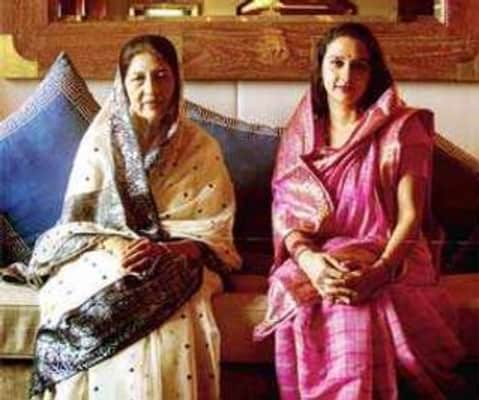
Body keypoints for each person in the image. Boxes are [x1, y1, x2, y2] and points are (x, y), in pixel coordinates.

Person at [254, 22, 466, 399]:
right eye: (337, 63)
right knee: (303, 297)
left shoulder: (402, 129)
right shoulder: (301, 135)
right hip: (316, 258)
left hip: (391, 252)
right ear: (320, 69)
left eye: (359, 65)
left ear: (373, 73)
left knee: (351, 306)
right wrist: (311, 264)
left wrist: (380, 272)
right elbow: (287, 215)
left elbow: (410, 217)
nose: (346, 75)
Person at [27, 35, 240, 400]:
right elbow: (78, 223)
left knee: (176, 317)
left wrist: (171, 251)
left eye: (161, 76)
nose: (151, 89)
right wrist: (116, 245)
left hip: (179, 257)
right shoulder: (101, 142)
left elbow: (215, 234)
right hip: (106, 250)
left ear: (177, 80)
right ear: (123, 84)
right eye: (139, 78)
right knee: (97, 289)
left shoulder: (202, 147)